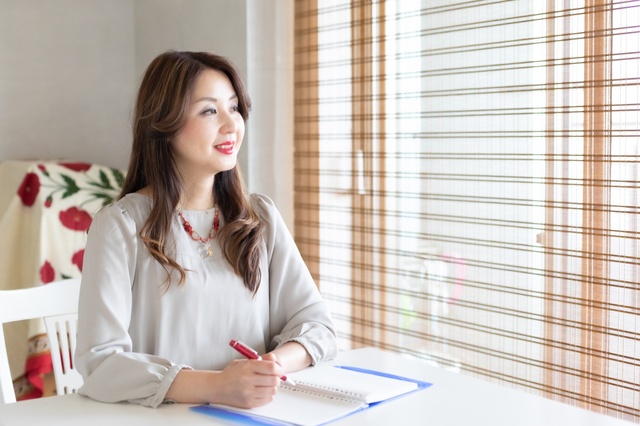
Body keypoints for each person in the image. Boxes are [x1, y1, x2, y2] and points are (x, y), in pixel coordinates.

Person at [75, 50, 337, 409]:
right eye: (209, 110)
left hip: (250, 415)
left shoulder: (260, 217)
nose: (232, 125)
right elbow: (100, 362)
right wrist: (215, 386)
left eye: (234, 107)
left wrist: (269, 367)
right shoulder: (121, 225)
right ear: (163, 124)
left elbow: (318, 326)